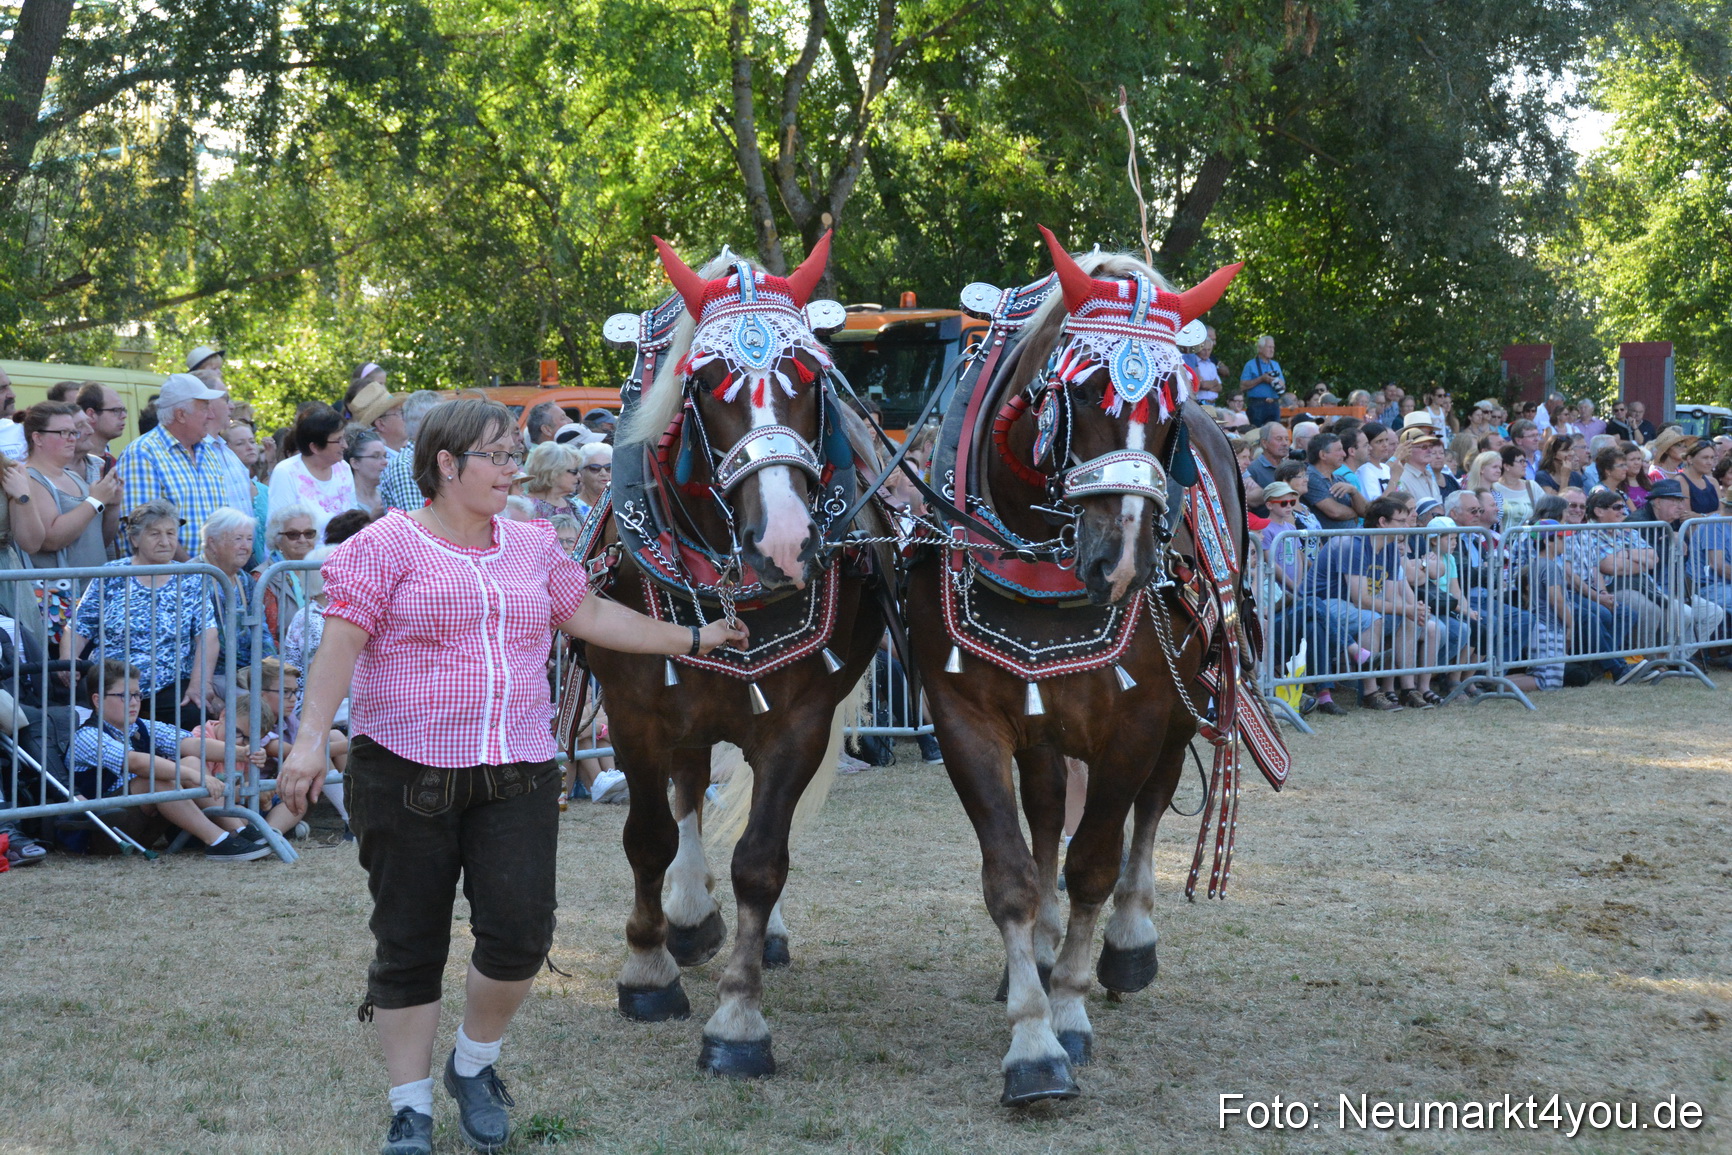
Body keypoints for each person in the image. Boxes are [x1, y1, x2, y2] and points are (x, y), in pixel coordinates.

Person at [274, 400, 747, 1154]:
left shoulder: (531, 543)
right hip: (404, 770)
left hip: (517, 770)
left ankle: (473, 1063)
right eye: (495, 455)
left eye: (513, 454)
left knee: (521, 935)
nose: (511, 469)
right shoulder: (385, 545)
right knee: (409, 942)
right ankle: (411, 1108)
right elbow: (340, 643)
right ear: (447, 465)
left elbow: (590, 614)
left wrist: (695, 635)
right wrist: (307, 741)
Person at [67, 658, 270, 861]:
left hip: (138, 825)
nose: (134, 702)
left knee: (191, 760)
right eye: (124, 696)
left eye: (137, 695)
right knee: (156, 779)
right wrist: (194, 776)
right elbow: (137, 763)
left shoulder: (141, 725)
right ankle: (218, 841)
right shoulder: (87, 736)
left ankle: (239, 831)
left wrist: (242, 753)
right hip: (99, 830)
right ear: (97, 700)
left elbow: (190, 743)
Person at [64, 499, 219, 729]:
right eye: (154, 533)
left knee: (194, 715)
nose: (165, 541)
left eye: (170, 533)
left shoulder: (190, 578)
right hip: (113, 684)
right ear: (135, 538)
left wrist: (199, 683)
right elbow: (78, 627)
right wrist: (69, 661)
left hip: (169, 684)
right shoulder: (112, 574)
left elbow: (208, 636)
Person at [115, 373, 241, 558]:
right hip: (166, 582)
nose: (211, 415)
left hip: (211, 577)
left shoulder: (208, 452)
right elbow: (142, 531)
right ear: (181, 415)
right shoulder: (142, 453)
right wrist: (193, 571)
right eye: (205, 408)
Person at [13, 401, 123, 572]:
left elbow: (99, 540)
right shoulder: (29, 477)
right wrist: (95, 501)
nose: (73, 438)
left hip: (92, 592)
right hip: (62, 594)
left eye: (73, 432)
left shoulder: (72, 476)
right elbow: (51, 539)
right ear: (38, 438)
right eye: (63, 432)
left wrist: (112, 505)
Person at [199, 507, 274, 693]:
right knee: (257, 701)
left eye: (249, 539)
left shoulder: (244, 579)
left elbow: (261, 628)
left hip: (245, 671)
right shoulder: (194, 576)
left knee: (282, 691)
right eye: (238, 538)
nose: (245, 546)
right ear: (212, 543)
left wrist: (271, 668)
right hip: (211, 675)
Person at [267, 404, 356, 541]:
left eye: (344, 438)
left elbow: (353, 519)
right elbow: (279, 531)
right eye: (338, 440)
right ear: (314, 447)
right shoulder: (286, 472)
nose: (345, 445)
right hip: (305, 560)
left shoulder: (343, 468)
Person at [258, 504, 319, 642]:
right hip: (284, 660)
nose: (303, 540)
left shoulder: (322, 570)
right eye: (293, 534)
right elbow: (267, 638)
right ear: (278, 540)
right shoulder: (265, 577)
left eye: (309, 533)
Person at [380, 391, 446, 513]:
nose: (450, 425)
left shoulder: (434, 459)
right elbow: (415, 523)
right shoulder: (404, 466)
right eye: (444, 419)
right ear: (428, 425)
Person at [223, 422, 271, 564]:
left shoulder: (265, 491)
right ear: (226, 449)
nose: (250, 447)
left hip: (268, 573)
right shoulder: (222, 489)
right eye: (240, 443)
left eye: (252, 441)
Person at [1301, 434, 1365, 527]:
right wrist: (1355, 513)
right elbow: (1334, 512)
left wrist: (1354, 491)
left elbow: (1364, 511)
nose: (1344, 454)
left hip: (1349, 539)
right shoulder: (1310, 477)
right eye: (1339, 450)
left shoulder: (1339, 479)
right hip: (1330, 541)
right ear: (1323, 455)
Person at [76, 382, 128, 478]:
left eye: (124, 410)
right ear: (91, 415)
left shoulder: (113, 462)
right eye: (116, 410)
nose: (124, 416)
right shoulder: (74, 464)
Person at [351, 381, 410, 462]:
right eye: (401, 413)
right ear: (381, 424)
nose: (407, 416)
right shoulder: (376, 462)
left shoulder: (407, 450)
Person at [522, 441, 581, 520]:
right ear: (553, 472)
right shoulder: (527, 507)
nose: (579, 476)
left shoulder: (571, 505)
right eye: (574, 471)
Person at [1491, 445, 1543, 529]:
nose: (1525, 465)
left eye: (1525, 461)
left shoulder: (1532, 486)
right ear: (1506, 466)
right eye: (1521, 461)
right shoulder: (1494, 488)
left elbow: (1546, 511)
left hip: (1528, 540)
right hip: (1502, 540)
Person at [1239, 336, 1284, 427]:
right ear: (1260, 348)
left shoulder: (1275, 365)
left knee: (1274, 432)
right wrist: (1261, 379)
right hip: (1257, 405)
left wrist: (1278, 383)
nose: (1272, 350)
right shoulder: (1250, 365)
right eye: (1269, 347)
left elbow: (1283, 385)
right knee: (1256, 433)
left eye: (1273, 347)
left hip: (1274, 404)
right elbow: (1242, 386)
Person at [346, 427, 391, 518]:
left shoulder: (387, 495)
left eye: (385, 456)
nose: (385, 462)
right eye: (376, 456)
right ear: (355, 463)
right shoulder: (347, 501)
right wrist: (371, 518)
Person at [1677, 438, 1718, 518]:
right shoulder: (1681, 481)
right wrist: (1712, 516)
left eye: (1712, 458)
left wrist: (1701, 516)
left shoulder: (1713, 482)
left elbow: (1722, 512)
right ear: (1690, 459)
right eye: (1705, 458)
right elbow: (1686, 517)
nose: (1710, 462)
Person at [1355, 421, 1395, 498]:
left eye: (1386, 440)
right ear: (1368, 445)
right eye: (1379, 441)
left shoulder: (1386, 468)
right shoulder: (1365, 471)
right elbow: (1376, 505)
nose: (1385, 445)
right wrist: (1395, 477)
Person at [1183, 326, 1222, 402]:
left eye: (1209, 350)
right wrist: (1214, 383)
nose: (1206, 353)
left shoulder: (1212, 365)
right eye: (1204, 350)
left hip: (1213, 403)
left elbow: (1220, 387)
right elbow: (1200, 385)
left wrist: (1207, 385)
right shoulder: (1193, 363)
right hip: (1200, 402)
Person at [573, 442, 612, 519]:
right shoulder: (572, 509)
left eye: (608, 468)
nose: (603, 473)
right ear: (581, 474)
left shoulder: (623, 504)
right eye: (595, 468)